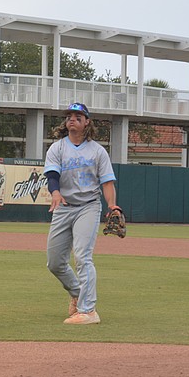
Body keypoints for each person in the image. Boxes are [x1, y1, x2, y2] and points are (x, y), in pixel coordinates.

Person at [43, 102, 120, 325]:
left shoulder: (97, 151)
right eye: (69, 116)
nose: (72, 119)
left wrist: (112, 205)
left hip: (88, 205)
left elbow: (107, 182)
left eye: (78, 116)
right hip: (63, 206)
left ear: (87, 122)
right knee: (54, 262)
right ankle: (77, 293)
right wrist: (55, 192)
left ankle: (88, 311)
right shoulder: (57, 148)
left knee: (82, 256)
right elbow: (52, 176)